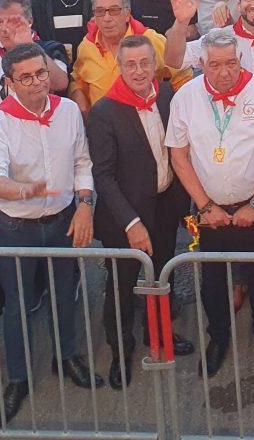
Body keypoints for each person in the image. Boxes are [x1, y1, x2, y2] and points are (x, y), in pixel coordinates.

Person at [0, 42, 100, 427]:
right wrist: (21, 190)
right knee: (16, 306)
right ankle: (16, 378)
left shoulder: (67, 112)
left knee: (65, 295)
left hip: (63, 221)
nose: (37, 83)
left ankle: (67, 357)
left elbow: (82, 161)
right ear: (10, 82)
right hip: (17, 228)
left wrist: (85, 205)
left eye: (42, 73)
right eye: (27, 77)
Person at [166, 28, 254, 378]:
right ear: (202, 63)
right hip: (209, 208)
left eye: (231, 63)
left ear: (240, 60)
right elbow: (179, 157)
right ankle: (217, 337)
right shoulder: (186, 97)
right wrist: (205, 206)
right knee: (213, 278)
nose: (224, 72)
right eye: (215, 65)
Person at [87, 35, 195, 387]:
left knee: (162, 276)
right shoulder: (104, 112)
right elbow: (102, 175)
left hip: (164, 206)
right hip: (125, 218)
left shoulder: (166, 96)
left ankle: (158, 334)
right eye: (130, 64)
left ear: (155, 65)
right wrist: (131, 222)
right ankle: (121, 352)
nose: (138, 71)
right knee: (120, 288)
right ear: (120, 67)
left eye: (144, 63)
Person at [71, 0, 185, 111]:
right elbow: (78, 79)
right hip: (101, 125)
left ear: (127, 14)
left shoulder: (150, 40)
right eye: (100, 11)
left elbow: (182, 76)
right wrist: (79, 99)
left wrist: (177, 113)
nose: (107, 18)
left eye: (114, 10)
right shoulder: (86, 46)